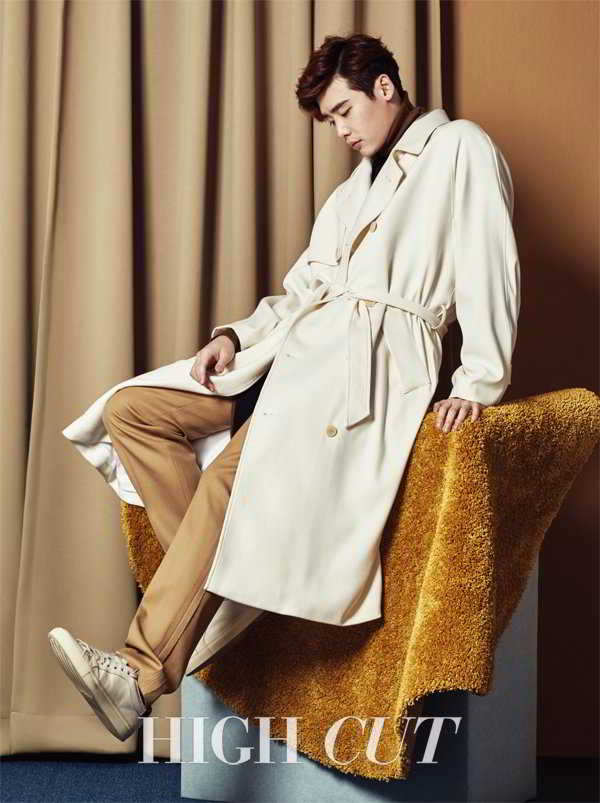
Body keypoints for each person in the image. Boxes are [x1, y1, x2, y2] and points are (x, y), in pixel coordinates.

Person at [48, 33, 519, 742]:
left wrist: (478, 380)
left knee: (228, 484)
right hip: (293, 358)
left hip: (367, 367)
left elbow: (491, 261)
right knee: (131, 412)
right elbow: (302, 289)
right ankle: (238, 583)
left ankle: (138, 675)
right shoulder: (351, 192)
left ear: (384, 86)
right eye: (330, 121)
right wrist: (237, 336)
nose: (341, 131)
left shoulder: (459, 149)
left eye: (344, 111)